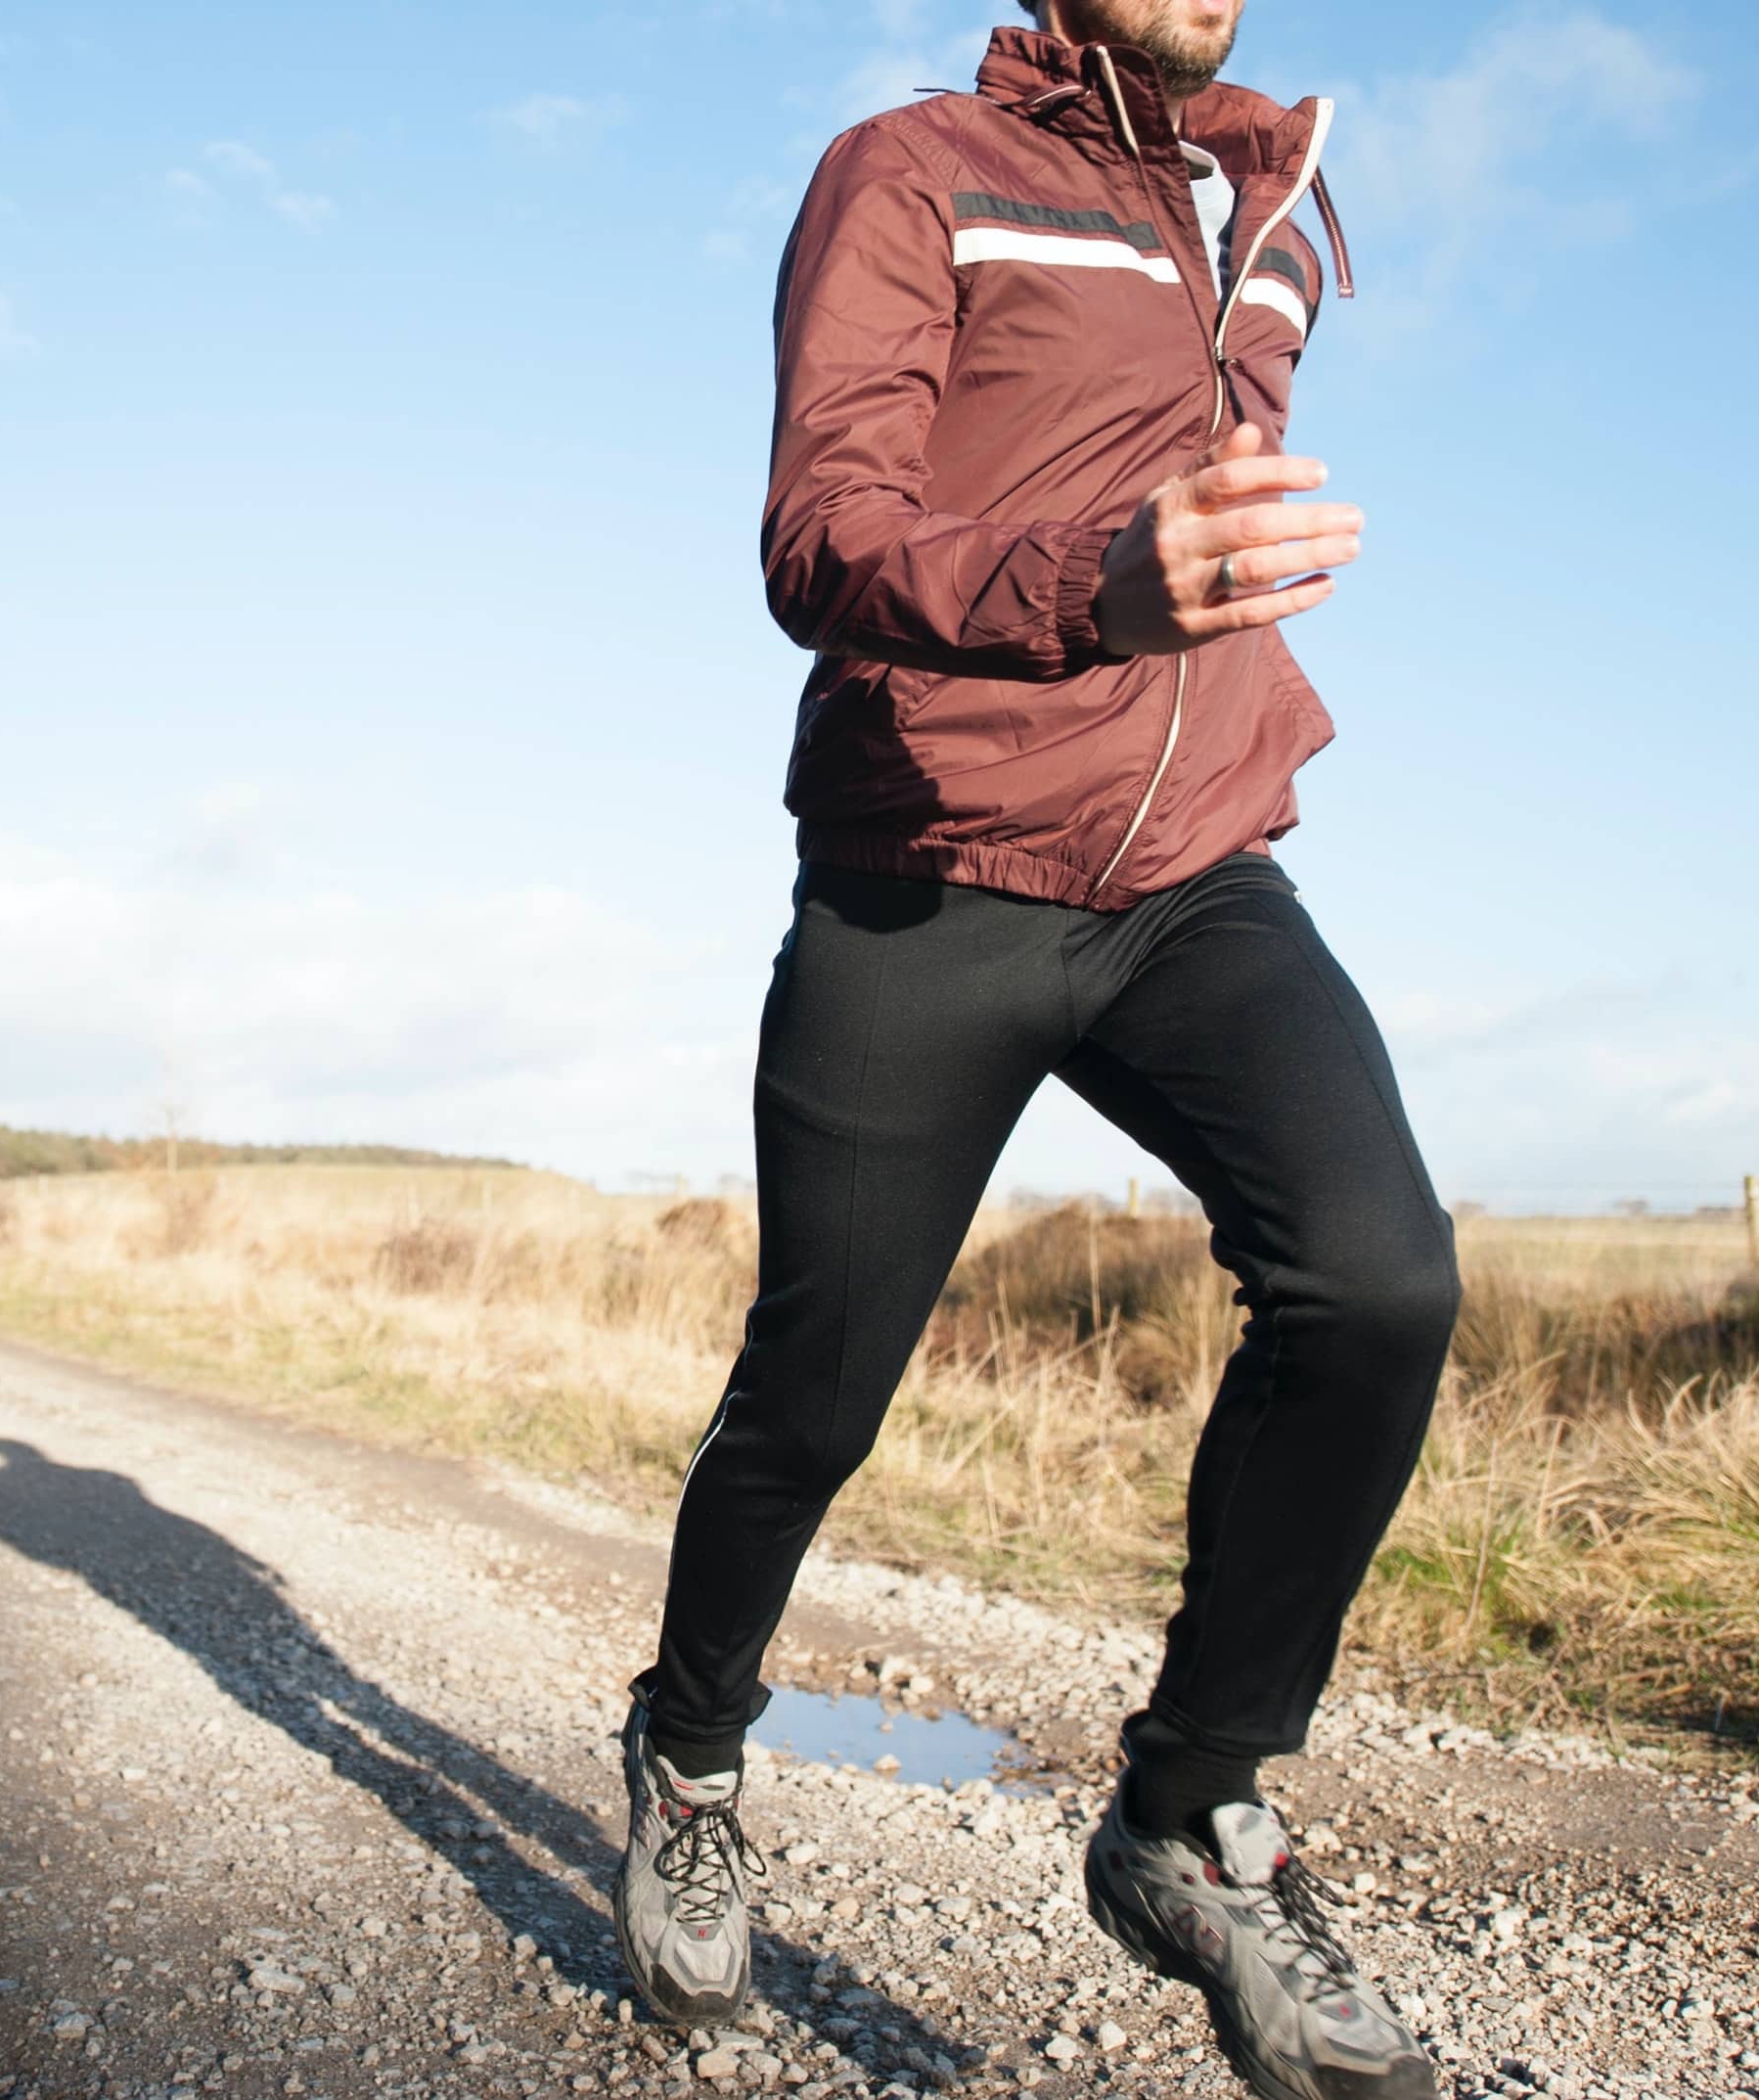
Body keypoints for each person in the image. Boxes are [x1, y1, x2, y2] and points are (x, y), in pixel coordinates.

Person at [611, 4, 1460, 2094]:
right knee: (814, 1390)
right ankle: (694, 1745)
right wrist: (1100, 581)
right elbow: (820, 534)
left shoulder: (1263, 208)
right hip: (927, 869)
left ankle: (1187, 1812)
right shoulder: (910, 170)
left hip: (1189, 872)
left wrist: (1195, 614)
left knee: (1375, 1278)